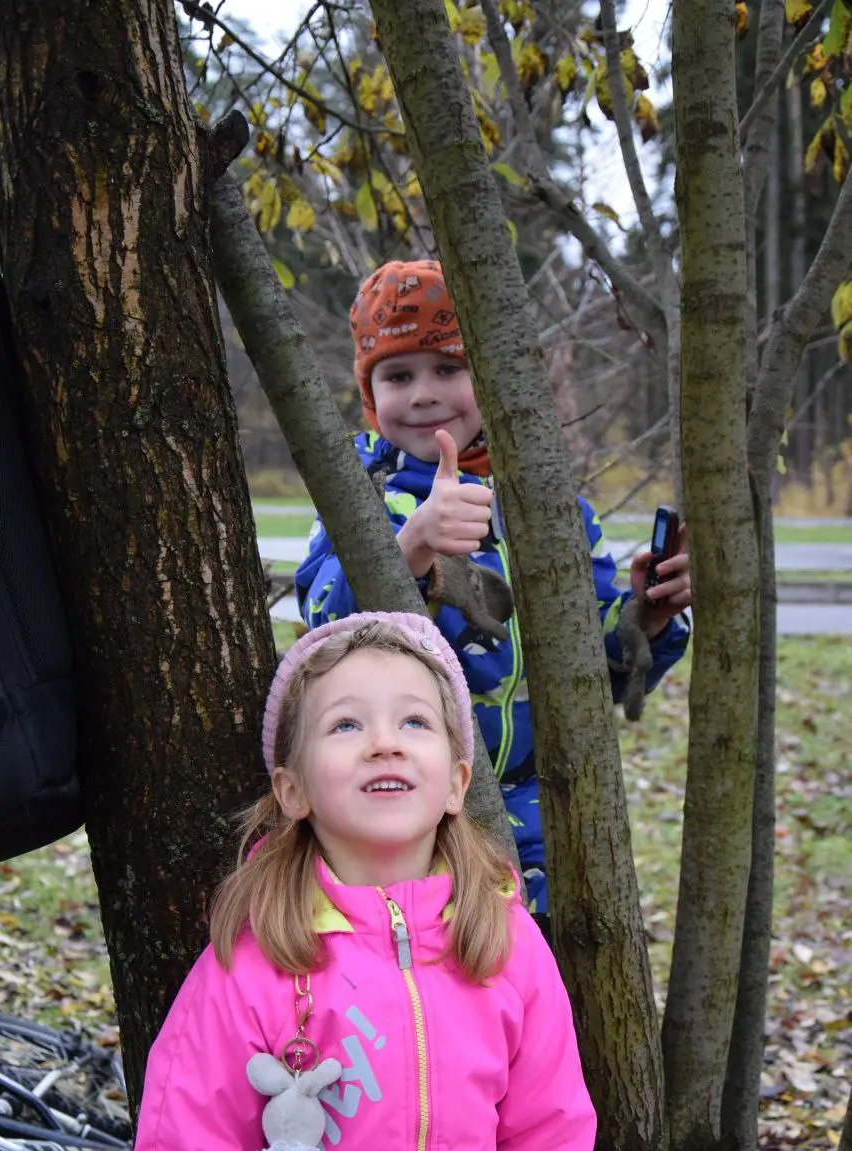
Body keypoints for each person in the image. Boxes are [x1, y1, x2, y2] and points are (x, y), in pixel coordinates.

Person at [128, 612, 621, 1151]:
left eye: (414, 722)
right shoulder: (251, 965)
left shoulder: (505, 945)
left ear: (455, 781)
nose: (384, 744)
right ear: (292, 790)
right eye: (346, 725)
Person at [296, 259, 691, 921]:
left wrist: (646, 618)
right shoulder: (356, 494)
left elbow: (602, 677)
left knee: (526, 994)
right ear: (370, 392)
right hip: (405, 821)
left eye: (449, 369)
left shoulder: (553, 506)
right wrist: (415, 543)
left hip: (539, 823)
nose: (423, 394)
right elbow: (325, 631)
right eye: (397, 376)